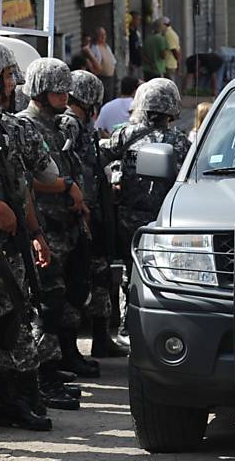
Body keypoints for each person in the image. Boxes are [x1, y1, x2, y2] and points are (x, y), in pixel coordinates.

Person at [0, 40, 71, 423]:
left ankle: (10, 400)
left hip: (14, 243)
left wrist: (36, 234)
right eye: (7, 77)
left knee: (13, 321)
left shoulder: (13, 127)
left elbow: (34, 181)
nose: (12, 84)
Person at [17, 60, 98, 379]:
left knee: (72, 294)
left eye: (67, 90)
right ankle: (45, 367)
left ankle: (67, 354)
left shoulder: (62, 125)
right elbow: (24, 177)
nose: (66, 96)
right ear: (39, 91)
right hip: (44, 225)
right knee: (47, 301)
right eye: (58, 90)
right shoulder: (25, 125)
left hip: (69, 223)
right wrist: (66, 186)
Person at [102, 79, 191, 328]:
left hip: (130, 219)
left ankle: (127, 323)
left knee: (131, 273)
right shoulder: (180, 141)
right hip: (166, 220)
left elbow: (98, 159)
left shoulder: (125, 134)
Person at [59, 70, 129, 359]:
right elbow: (68, 170)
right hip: (76, 219)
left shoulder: (83, 127)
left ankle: (101, 338)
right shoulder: (69, 125)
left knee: (98, 278)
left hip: (93, 218)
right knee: (75, 284)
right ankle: (69, 350)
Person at [89, 27, 118, 102]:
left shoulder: (106, 47)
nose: (103, 37)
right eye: (101, 35)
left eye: (104, 35)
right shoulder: (94, 48)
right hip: (101, 78)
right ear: (96, 36)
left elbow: (113, 61)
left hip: (110, 78)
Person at [162, 17, 182, 83]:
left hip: (169, 63)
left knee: (169, 83)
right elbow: (178, 49)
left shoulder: (168, 34)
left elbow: (174, 50)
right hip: (172, 63)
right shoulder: (172, 33)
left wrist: (178, 63)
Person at [128, 11, 143, 77]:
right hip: (132, 63)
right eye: (137, 19)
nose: (138, 22)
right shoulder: (130, 33)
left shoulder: (136, 32)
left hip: (138, 62)